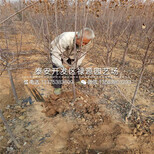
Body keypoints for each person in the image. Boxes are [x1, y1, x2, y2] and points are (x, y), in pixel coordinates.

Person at [50, 27, 95, 95]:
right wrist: (61, 67)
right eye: (82, 42)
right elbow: (56, 54)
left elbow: (81, 55)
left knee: (75, 66)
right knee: (57, 68)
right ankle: (57, 86)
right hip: (58, 50)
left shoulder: (88, 42)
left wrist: (74, 66)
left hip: (73, 52)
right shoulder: (66, 38)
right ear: (77, 37)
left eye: (85, 43)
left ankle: (75, 80)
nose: (83, 45)